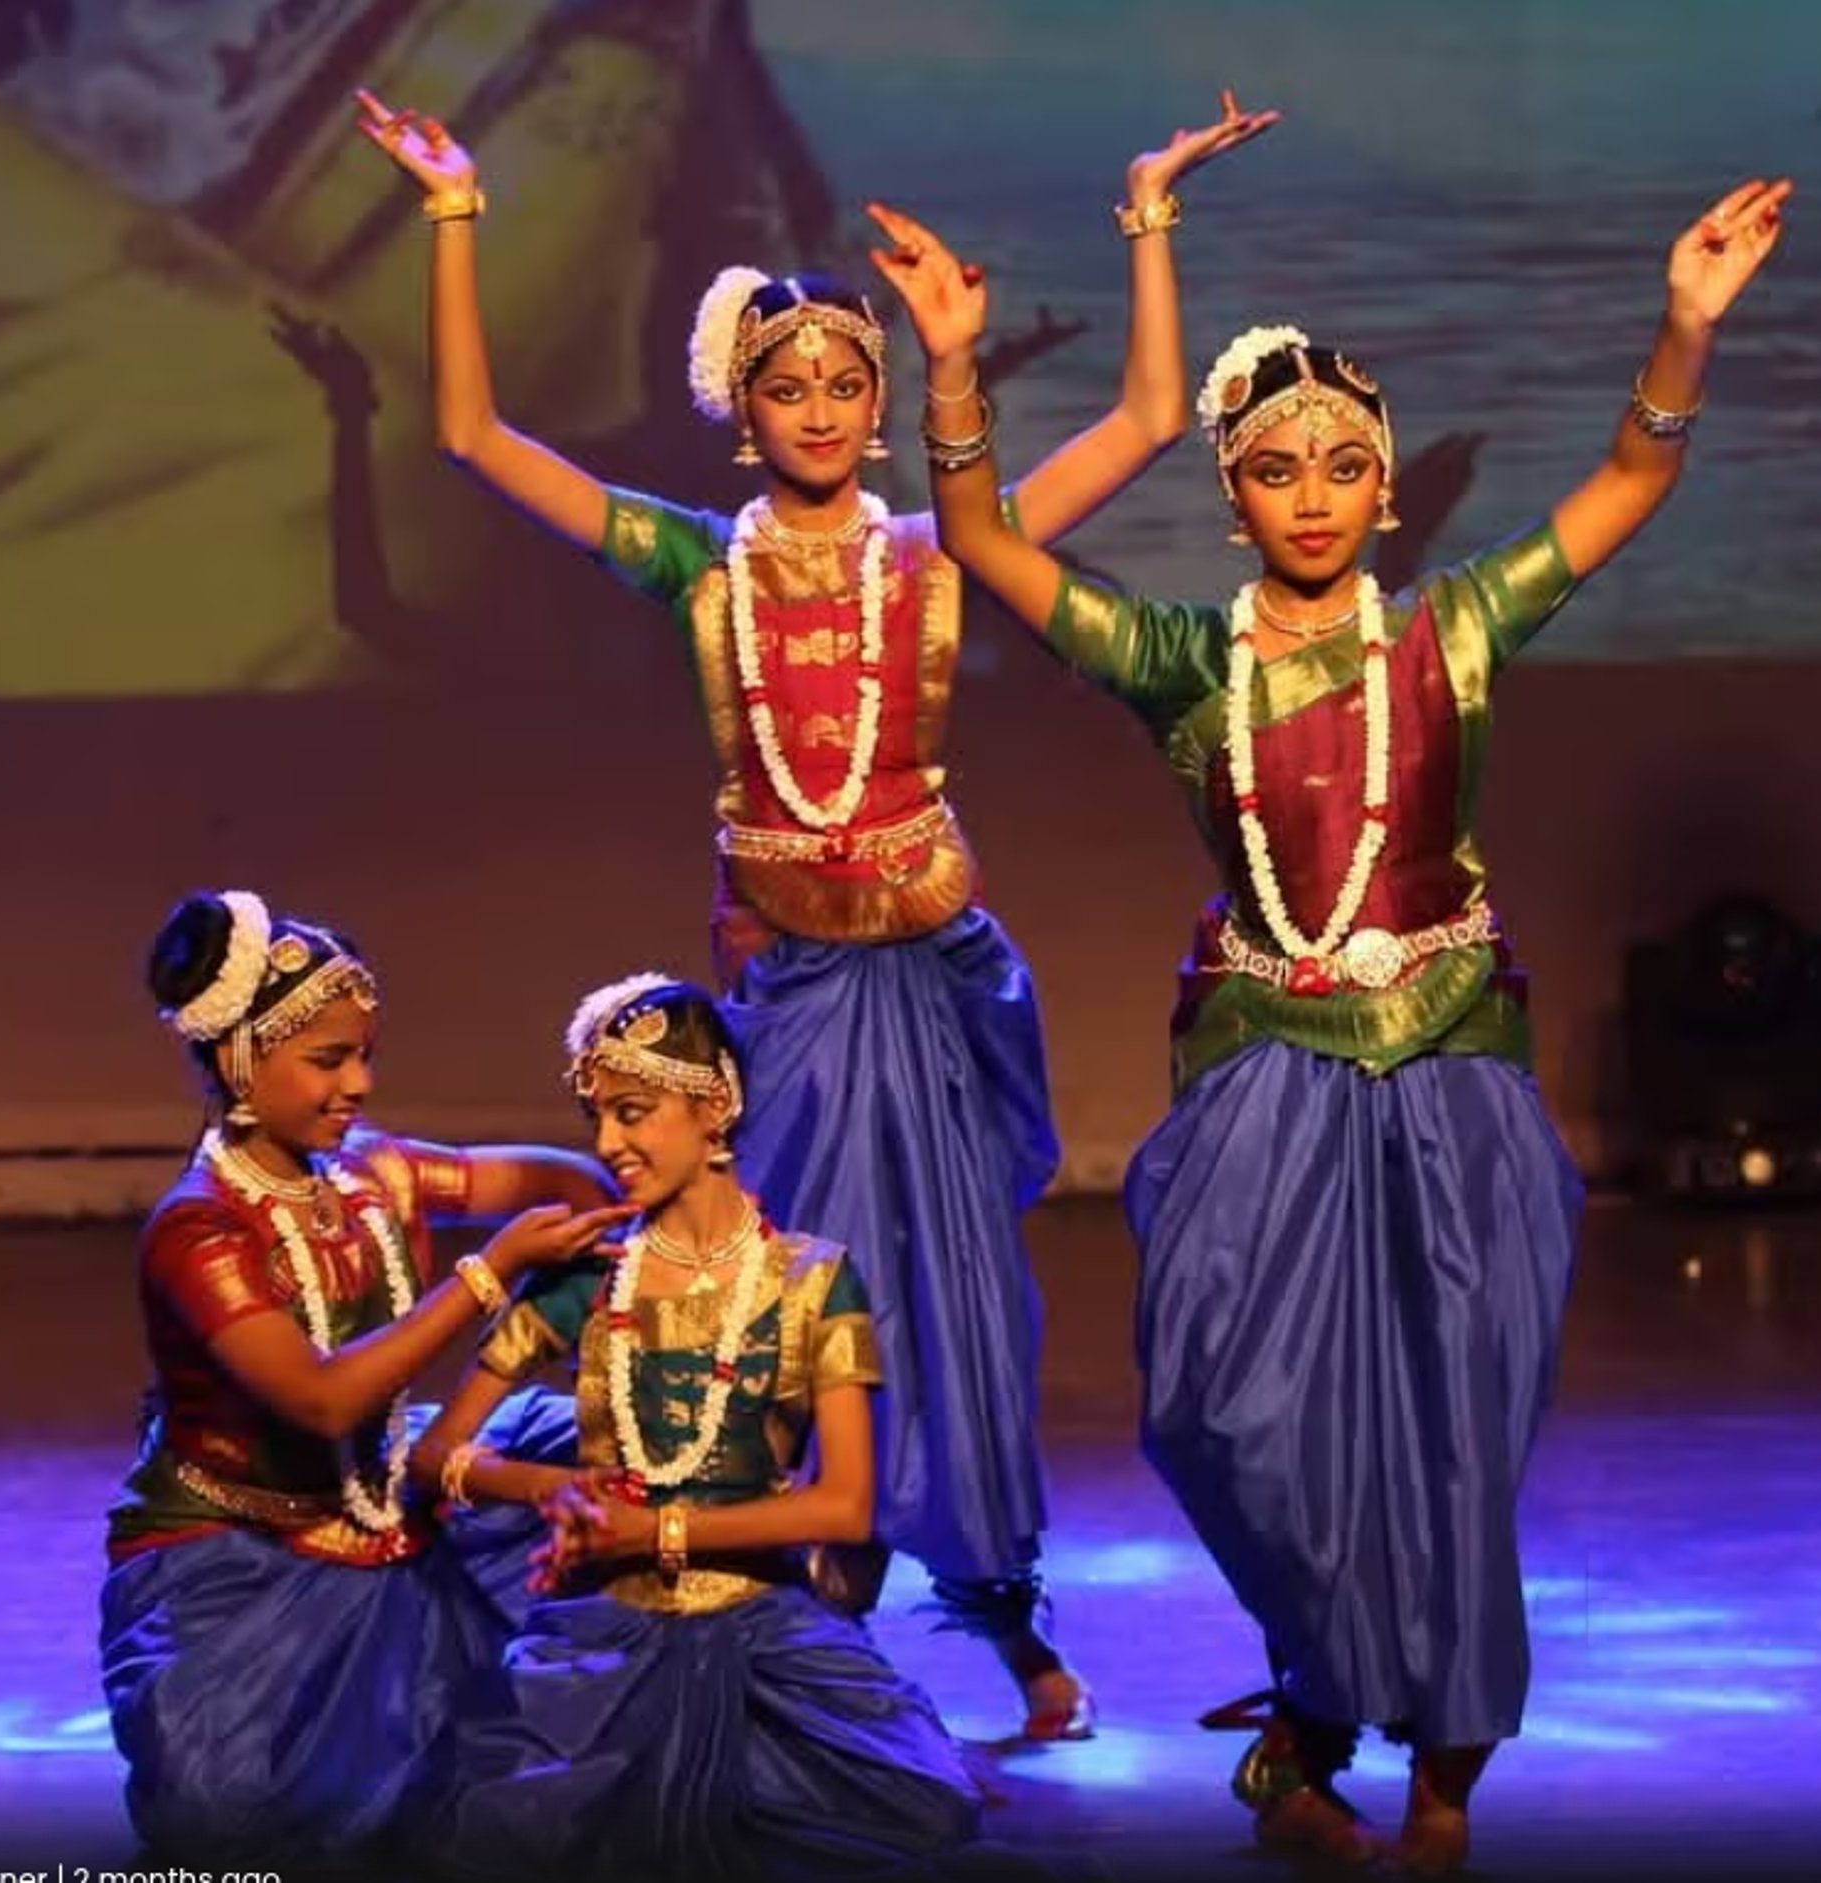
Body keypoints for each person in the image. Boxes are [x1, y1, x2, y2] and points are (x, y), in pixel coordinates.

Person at [877, 177, 1792, 1870]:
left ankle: (1439, 1777)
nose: (1314, 493)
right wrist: (947, 368)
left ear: (1384, 487)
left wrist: (1685, 325)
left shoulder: (1456, 628)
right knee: (1217, 1409)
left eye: (1346, 464)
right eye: (1278, 468)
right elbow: (988, 547)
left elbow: (1632, 480)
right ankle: (1311, 1694)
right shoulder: (1184, 660)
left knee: (1453, 1434)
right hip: (1266, 1072)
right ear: (1234, 496)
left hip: (1451, 1068)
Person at [351, 81, 1276, 1735]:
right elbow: (476, 439)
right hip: (790, 1004)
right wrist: (456, 213)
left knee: (957, 1313)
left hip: (932, 987)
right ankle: (794, 1618)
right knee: (771, 1317)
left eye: (853, 383)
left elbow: (1149, 416)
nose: (828, 410)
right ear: (744, 404)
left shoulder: (938, 549)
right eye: (793, 385)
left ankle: (1002, 1609)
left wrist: (1147, 213)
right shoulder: (696, 566)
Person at [100, 889, 631, 1863]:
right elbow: (323, 1396)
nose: (360, 1083)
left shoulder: (373, 1169)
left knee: (628, 1445)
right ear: (241, 1060)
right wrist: (491, 1272)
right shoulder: (199, 1228)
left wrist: (610, 1293)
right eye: (330, 1059)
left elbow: (565, 1182)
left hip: (387, 1488)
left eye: (365, 1055)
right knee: (230, 1815)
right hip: (238, 1556)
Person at [412, 973, 983, 1880]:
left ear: (714, 1107)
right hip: (606, 1636)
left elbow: (844, 1506)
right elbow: (435, 1452)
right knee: (513, 1828)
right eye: (597, 1116)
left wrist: (659, 1531)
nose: (608, 1143)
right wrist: (550, 1485)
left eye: (632, 1112)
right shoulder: (591, 1276)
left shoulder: (811, 1279)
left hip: (767, 1634)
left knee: (918, 1808)